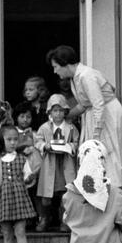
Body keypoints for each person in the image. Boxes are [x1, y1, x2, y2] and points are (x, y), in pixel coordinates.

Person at [47, 45, 122, 203]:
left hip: (106, 117)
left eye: (56, 67)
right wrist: (66, 116)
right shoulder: (76, 78)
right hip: (96, 115)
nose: (55, 71)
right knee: (95, 160)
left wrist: (97, 133)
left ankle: (115, 202)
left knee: (108, 156)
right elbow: (83, 104)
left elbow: (98, 104)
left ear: (65, 63)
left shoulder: (86, 75)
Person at [0, 124, 38, 243]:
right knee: (6, 233)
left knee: (20, 231)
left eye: (15, 139)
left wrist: (29, 178)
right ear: (2, 140)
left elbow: (27, 179)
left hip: (19, 198)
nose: (13, 143)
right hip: (3, 199)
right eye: (9, 139)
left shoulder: (22, 159)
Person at [35, 93, 79, 232]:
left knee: (64, 195)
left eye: (61, 110)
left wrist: (70, 147)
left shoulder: (71, 128)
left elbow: (76, 142)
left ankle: (64, 220)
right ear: (49, 112)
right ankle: (45, 219)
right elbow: (38, 140)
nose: (58, 114)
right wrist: (44, 146)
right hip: (49, 164)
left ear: (65, 111)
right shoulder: (45, 127)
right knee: (46, 196)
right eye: (55, 110)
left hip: (64, 163)